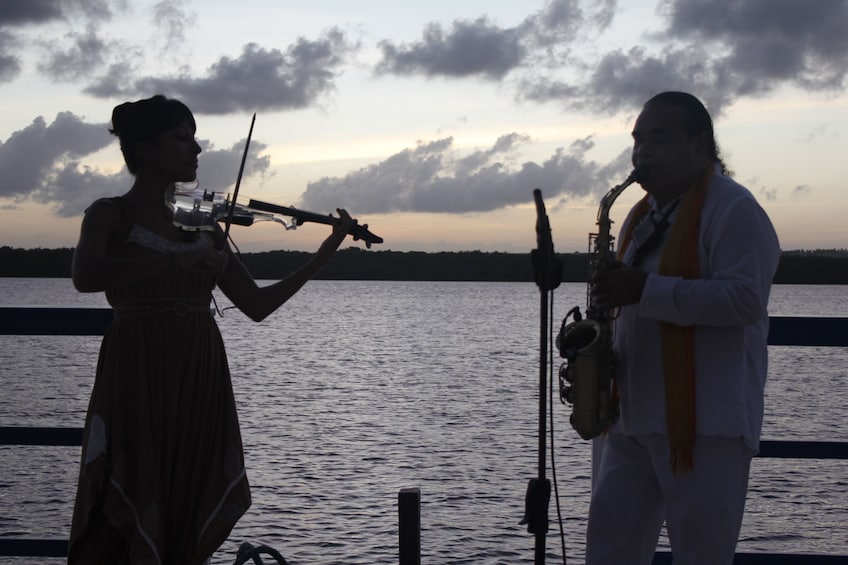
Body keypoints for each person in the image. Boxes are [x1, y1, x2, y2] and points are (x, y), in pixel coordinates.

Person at [68, 94, 353, 564]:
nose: (196, 149)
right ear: (146, 150)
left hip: (199, 368)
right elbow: (86, 276)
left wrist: (321, 258)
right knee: (128, 481)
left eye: (195, 137)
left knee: (188, 488)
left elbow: (256, 304)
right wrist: (173, 256)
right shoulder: (110, 213)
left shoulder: (199, 221)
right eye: (182, 138)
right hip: (138, 365)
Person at [585, 91, 781, 564]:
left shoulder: (735, 209)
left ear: (700, 145)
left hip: (705, 426)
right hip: (629, 418)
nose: (642, 151)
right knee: (608, 553)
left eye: (659, 138)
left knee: (702, 556)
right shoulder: (638, 216)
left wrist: (643, 289)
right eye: (637, 139)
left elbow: (744, 299)